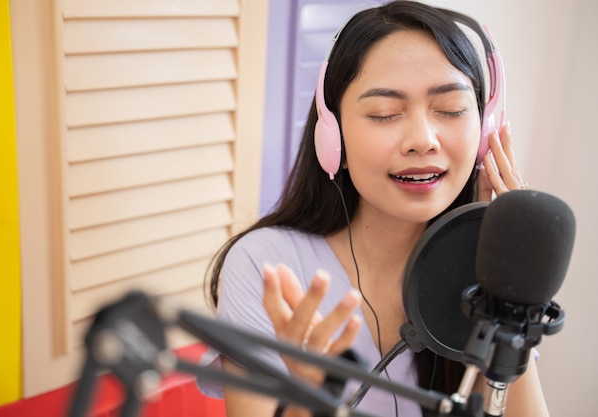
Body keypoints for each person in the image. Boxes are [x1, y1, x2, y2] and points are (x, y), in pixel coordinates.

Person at [199, 1, 550, 416]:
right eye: (385, 113)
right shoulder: (266, 267)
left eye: (451, 109)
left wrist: (510, 291)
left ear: (484, 129)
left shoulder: (483, 276)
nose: (422, 140)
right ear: (335, 141)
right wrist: (309, 398)